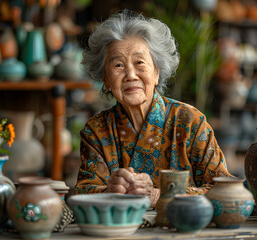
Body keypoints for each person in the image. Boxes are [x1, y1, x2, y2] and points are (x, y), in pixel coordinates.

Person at [74, 10, 231, 207]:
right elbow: (83, 191)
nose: (131, 74)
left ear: (156, 72)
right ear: (105, 80)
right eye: (118, 65)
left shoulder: (190, 122)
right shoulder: (96, 131)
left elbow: (224, 190)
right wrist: (109, 191)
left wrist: (159, 195)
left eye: (140, 62)